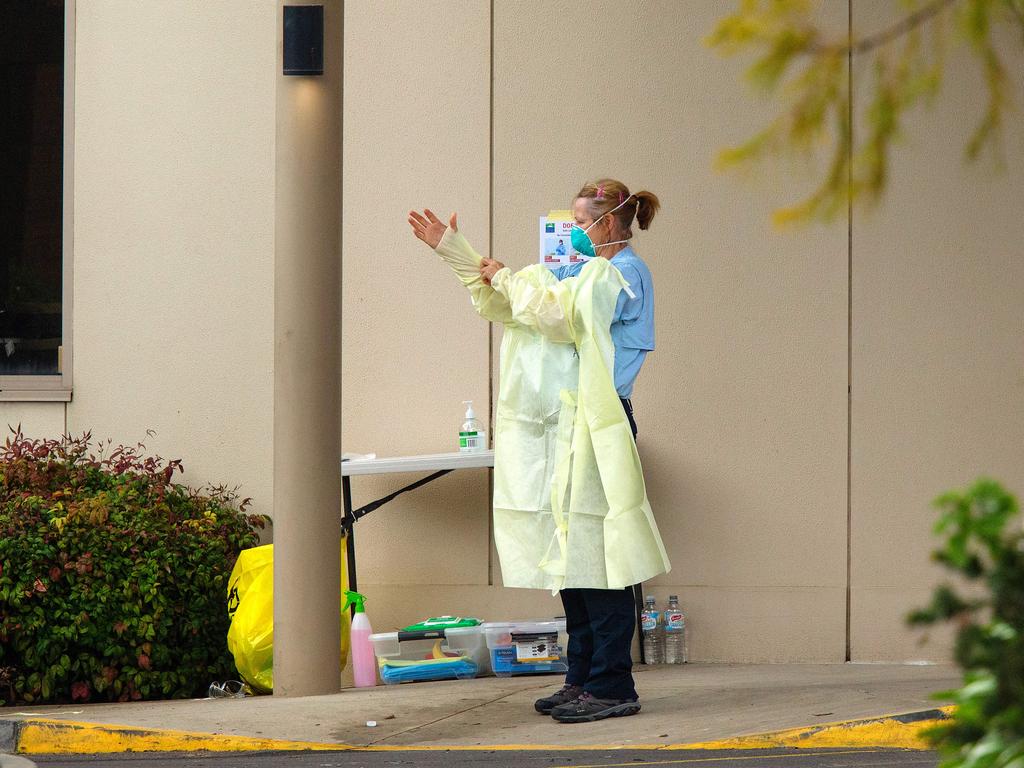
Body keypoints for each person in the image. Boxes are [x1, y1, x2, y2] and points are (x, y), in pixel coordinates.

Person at [407, 178, 663, 724]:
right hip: (570, 427)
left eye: (582, 222)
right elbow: (515, 305)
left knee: (603, 558)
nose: (573, 232)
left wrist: (508, 276)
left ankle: (613, 684)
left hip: (601, 423)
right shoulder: (577, 273)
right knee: (573, 557)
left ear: (613, 222)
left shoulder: (620, 273)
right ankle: (583, 678)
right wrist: (459, 254)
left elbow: (559, 314)